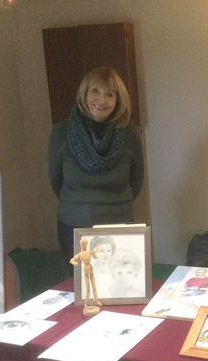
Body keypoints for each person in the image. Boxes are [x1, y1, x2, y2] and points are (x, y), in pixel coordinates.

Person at [48, 66, 144, 265]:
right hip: (74, 227)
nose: (101, 100)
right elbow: (56, 181)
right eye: (95, 91)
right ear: (84, 93)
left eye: (110, 94)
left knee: (121, 288)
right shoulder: (61, 132)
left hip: (120, 226)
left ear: (118, 100)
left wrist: (111, 208)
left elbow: (136, 182)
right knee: (83, 290)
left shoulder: (129, 135)